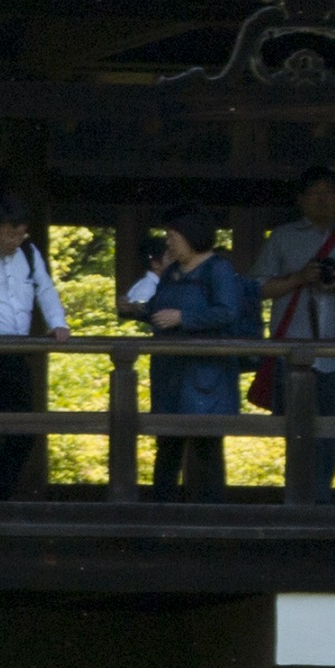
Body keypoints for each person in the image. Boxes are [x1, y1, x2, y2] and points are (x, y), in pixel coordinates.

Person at [256, 166, 335, 502]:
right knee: (297, 433)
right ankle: (301, 502)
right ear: (301, 199)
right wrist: (299, 278)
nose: (323, 199)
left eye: (329, 192)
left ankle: (318, 500)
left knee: (331, 435)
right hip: (291, 353)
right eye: (315, 192)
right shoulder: (282, 238)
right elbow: (259, 288)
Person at [124, 208, 260, 501]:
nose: (169, 244)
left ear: (191, 237)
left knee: (206, 444)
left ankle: (212, 516)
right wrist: (140, 311)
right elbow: (161, 308)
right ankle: (161, 514)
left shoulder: (218, 269)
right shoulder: (172, 271)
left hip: (206, 374)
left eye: (173, 237)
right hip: (170, 372)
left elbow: (227, 311)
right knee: (168, 442)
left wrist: (184, 317)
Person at [0, 202, 71, 501]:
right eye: (9, 234)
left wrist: (58, 323)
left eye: (20, 233)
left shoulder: (29, 254)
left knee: (25, 430)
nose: (15, 241)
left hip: (16, 353)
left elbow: (45, 289)